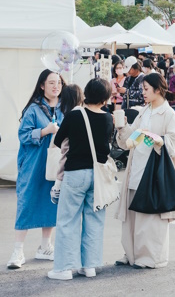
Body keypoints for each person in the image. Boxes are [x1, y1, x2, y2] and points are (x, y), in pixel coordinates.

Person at [115, 72, 175, 269]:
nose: (143, 93)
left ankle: (151, 257)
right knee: (133, 215)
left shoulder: (168, 113)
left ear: (158, 90)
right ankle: (131, 253)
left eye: (146, 89)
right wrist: (122, 128)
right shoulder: (144, 111)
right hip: (137, 166)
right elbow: (130, 138)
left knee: (151, 217)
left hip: (154, 170)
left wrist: (159, 140)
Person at [48, 79, 114, 280]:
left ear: (86, 94)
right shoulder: (108, 118)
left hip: (76, 173)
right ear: (105, 98)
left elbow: (58, 141)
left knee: (68, 220)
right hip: (99, 176)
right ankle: (89, 266)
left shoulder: (75, 115)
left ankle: (64, 269)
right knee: (95, 220)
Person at [8, 70, 65, 270]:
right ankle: (18, 250)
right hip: (33, 164)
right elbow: (23, 135)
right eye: (51, 83)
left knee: (50, 202)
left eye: (58, 82)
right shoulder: (33, 109)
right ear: (42, 86)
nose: (56, 86)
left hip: (55, 164)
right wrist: (45, 131)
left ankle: (45, 246)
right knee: (26, 202)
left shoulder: (64, 108)